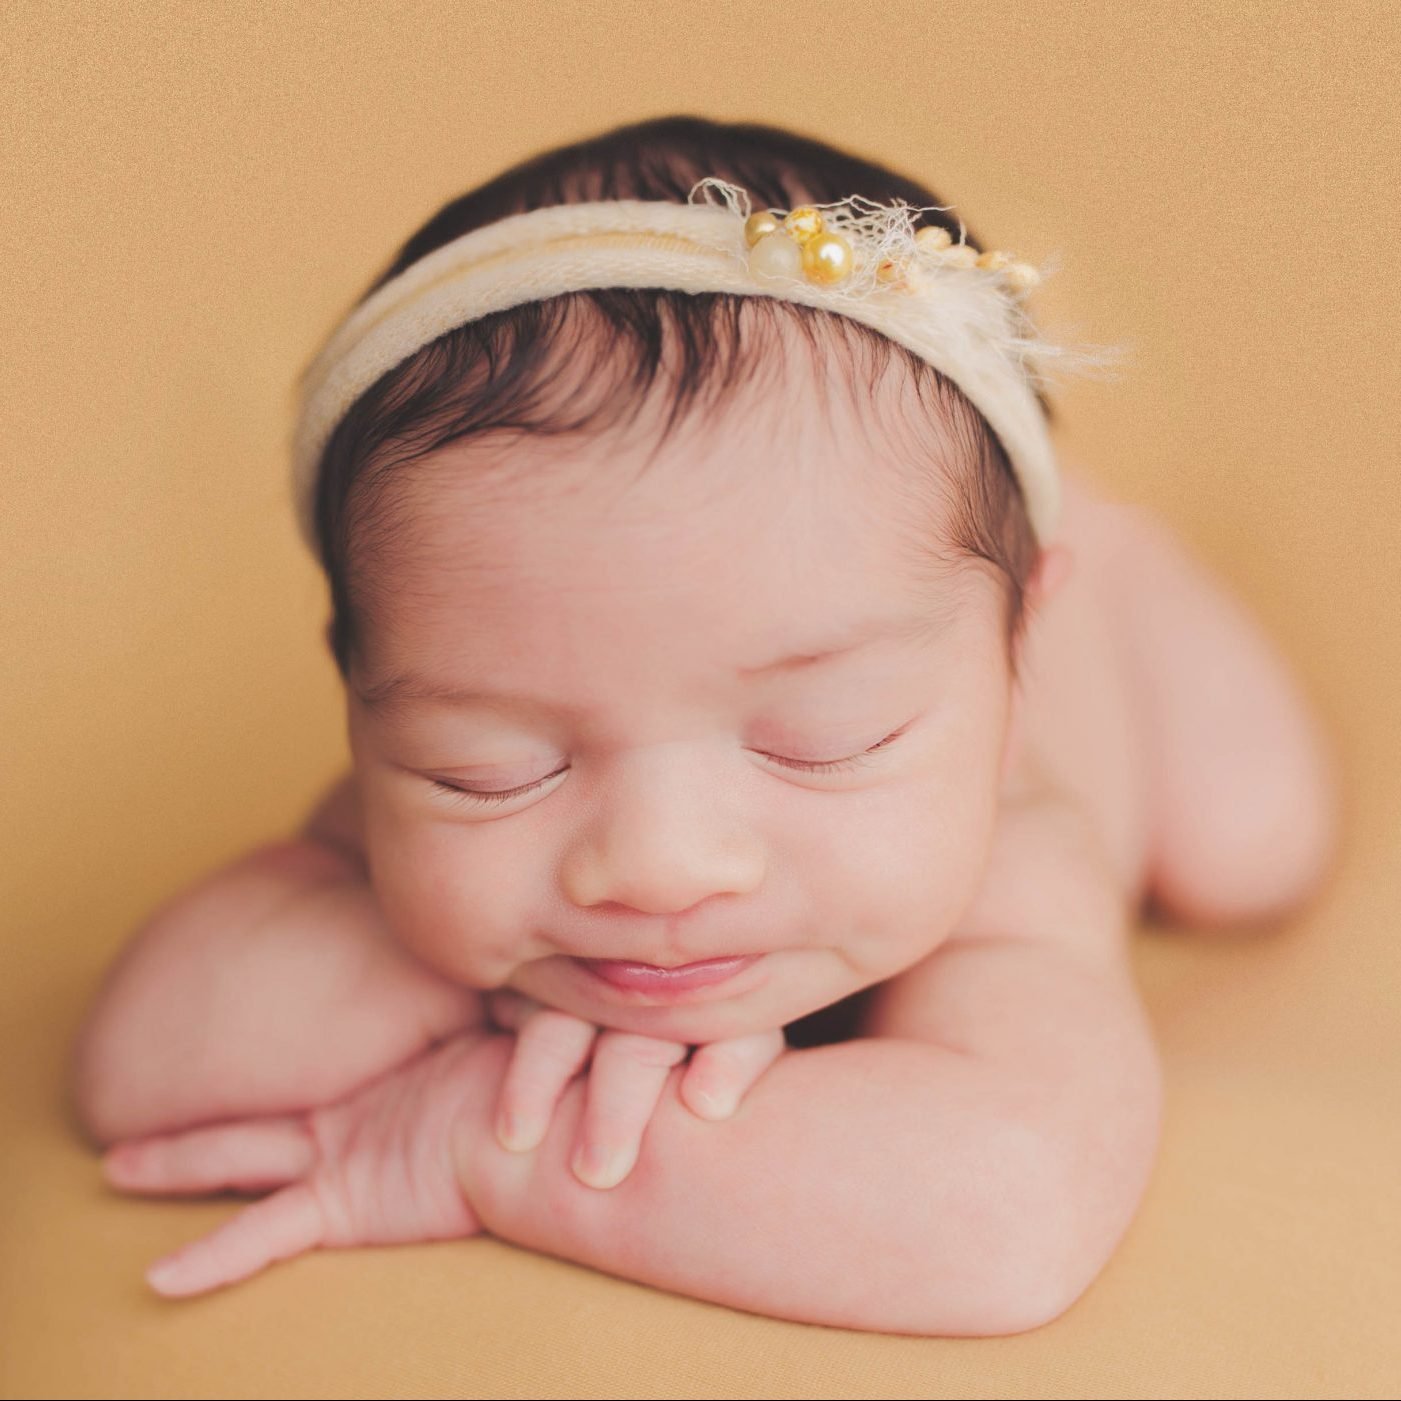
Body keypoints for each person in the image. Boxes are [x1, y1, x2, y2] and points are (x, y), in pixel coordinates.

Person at [67, 115, 1340, 1335]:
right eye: (493, 768)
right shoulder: (420, 846)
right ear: (360, 704)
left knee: (1253, 843)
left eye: (826, 738)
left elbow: (1009, 1211)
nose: (658, 867)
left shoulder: (1020, 858)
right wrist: (439, 949)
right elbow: (143, 1068)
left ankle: (1116, 551)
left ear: (1015, 665)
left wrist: (478, 1138)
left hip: (1112, 645)